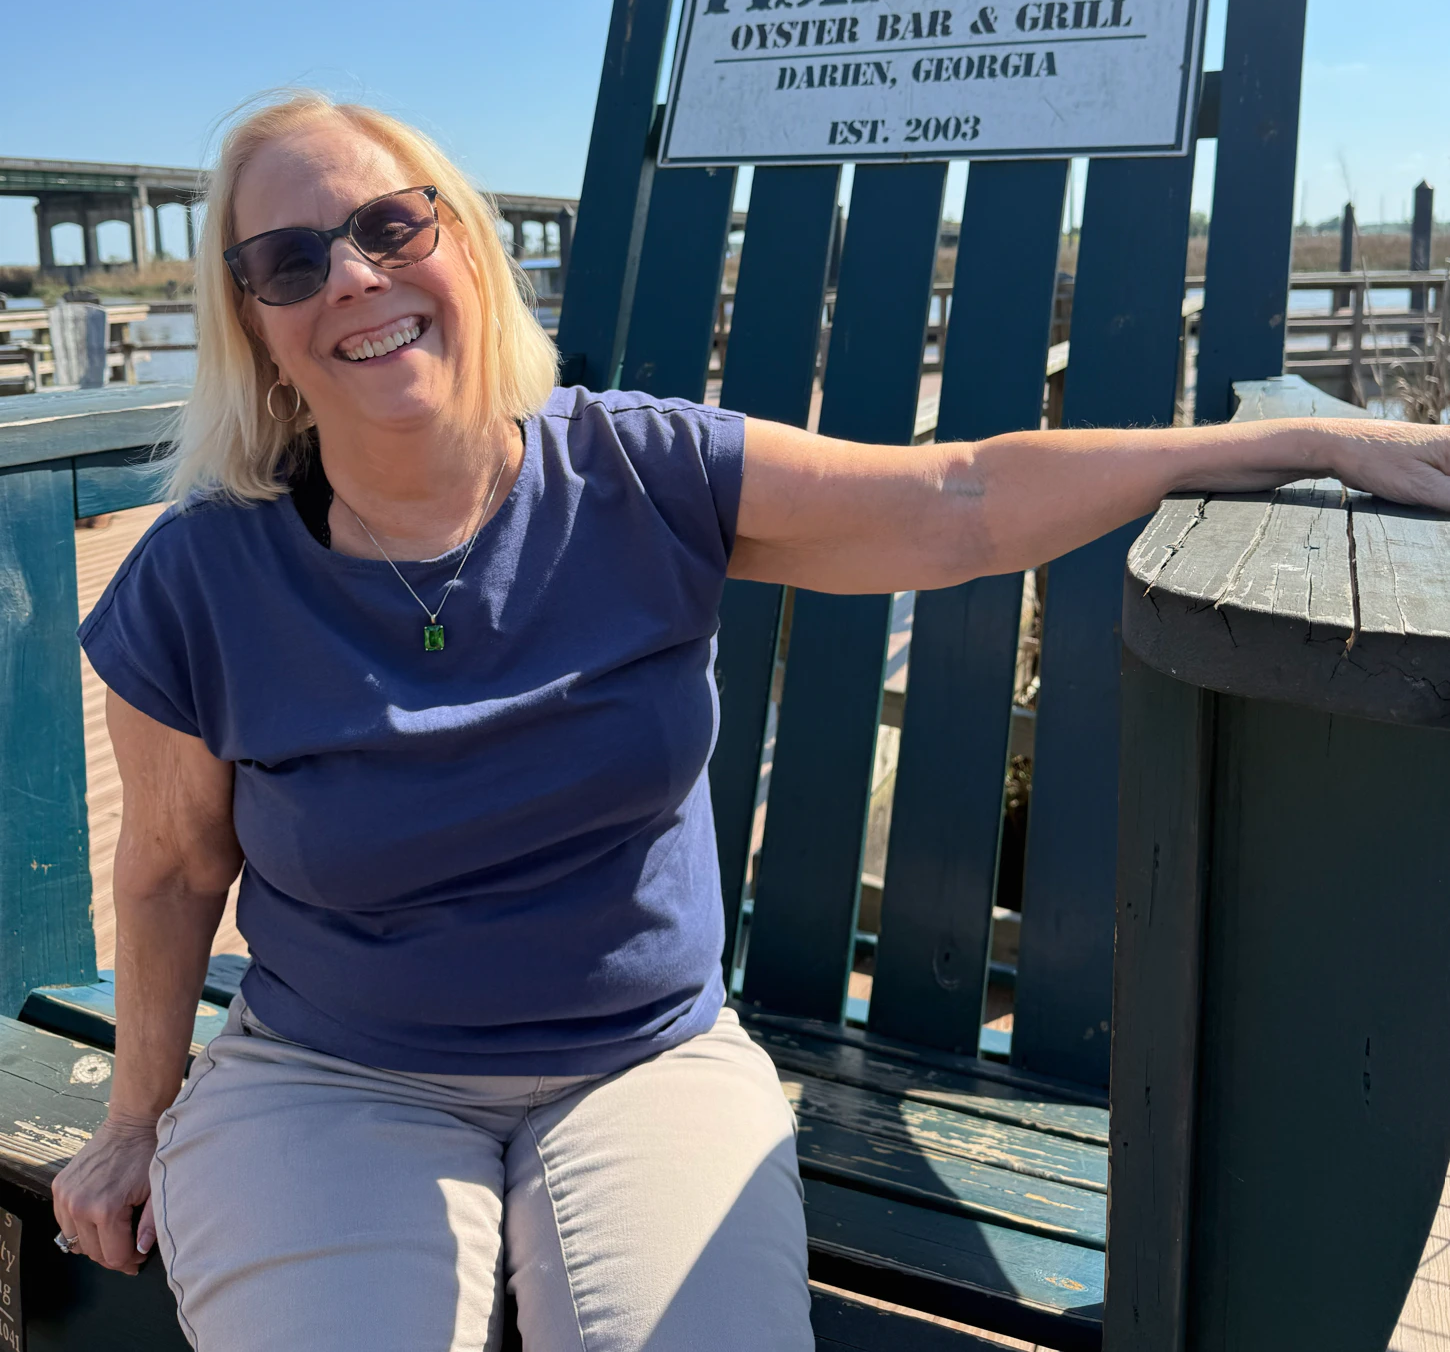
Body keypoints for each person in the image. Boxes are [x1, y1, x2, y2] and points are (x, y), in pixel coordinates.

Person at [52, 94, 1450, 1352]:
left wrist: (1308, 441)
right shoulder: (203, 574)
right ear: (256, 330)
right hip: (328, 1079)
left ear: (463, 246)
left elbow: (954, 492)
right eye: (290, 262)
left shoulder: (638, 472)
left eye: (386, 223)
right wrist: (133, 1120)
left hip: (639, 1065)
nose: (352, 273)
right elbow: (172, 868)